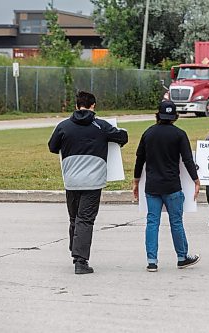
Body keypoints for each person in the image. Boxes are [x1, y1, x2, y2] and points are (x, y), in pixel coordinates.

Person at [48, 91, 129, 274]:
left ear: (76, 106)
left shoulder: (64, 126)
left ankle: (75, 249)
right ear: (93, 106)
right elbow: (121, 138)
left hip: (71, 181)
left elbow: (52, 147)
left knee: (74, 218)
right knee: (85, 219)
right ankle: (81, 261)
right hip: (93, 182)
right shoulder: (101, 126)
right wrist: (122, 132)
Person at [133, 100, 201, 272]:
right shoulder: (179, 134)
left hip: (152, 186)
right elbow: (187, 160)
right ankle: (182, 257)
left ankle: (152, 261)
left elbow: (139, 158)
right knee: (176, 222)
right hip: (172, 185)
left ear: (158, 114)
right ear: (174, 116)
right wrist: (196, 179)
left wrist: (136, 181)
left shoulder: (148, 133)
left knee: (152, 222)